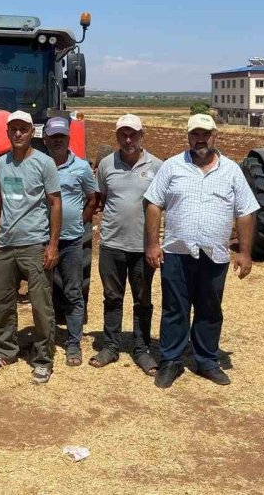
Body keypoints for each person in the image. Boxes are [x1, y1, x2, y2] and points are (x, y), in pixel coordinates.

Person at [144, 113, 259, 389]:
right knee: (174, 308)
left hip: (214, 254)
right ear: (188, 137)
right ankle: (170, 360)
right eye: (195, 134)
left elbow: (246, 212)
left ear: (215, 136)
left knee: (209, 309)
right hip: (176, 252)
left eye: (205, 134)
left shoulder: (231, 171)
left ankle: (206, 360)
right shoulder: (172, 166)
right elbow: (153, 204)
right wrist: (152, 243)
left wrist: (245, 252)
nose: (200, 139)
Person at [0, 110, 61, 384]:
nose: (18, 134)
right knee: (2, 303)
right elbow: (1, 202)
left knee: (40, 305)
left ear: (31, 133)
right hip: (5, 244)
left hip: (34, 244)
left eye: (23, 129)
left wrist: (52, 245)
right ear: (7, 132)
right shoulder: (1, 163)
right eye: (13, 129)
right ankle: (4, 351)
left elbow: (55, 203)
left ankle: (43, 359)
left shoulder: (44, 163)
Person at [89, 113, 164, 375]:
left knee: (143, 298)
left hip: (143, 246)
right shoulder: (107, 165)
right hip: (112, 244)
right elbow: (102, 198)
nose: (128, 139)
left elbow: (163, 204)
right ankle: (111, 346)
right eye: (123, 134)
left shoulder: (157, 165)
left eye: (133, 134)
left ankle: (141, 349)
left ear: (142, 135)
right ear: (117, 136)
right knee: (112, 297)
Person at [43, 116, 97, 366]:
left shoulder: (82, 167)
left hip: (72, 241)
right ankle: (46, 338)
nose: (57, 141)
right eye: (53, 137)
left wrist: (80, 223)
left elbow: (92, 198)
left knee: (73, 291)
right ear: (45, 138)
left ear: (68, 138)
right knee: (43, 292)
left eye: (61, 137)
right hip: (41, 239)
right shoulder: (39, 164)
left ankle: (73, 344)